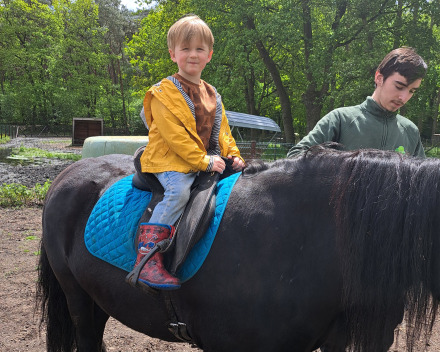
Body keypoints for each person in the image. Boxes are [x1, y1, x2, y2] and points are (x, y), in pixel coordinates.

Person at [134, 15, 245, 290]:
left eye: (199, 49)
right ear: (173, 54)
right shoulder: (162, 93)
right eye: (185, 49)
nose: (192, 55)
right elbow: (174, 138)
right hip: (170, 159)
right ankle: (147, 258)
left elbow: (223, 130)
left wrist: (233, 154)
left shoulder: (212, 94)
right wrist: (203, 161)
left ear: (209, 55)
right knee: (179, 192)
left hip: (203, 160)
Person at [287, 47, 427, 158]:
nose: (403, 97)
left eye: (412, 91)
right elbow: (295, 156)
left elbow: (422, 184)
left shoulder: (410, 131)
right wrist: (347, 168)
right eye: (399, 86)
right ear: (379, 78)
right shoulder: (340, 119)